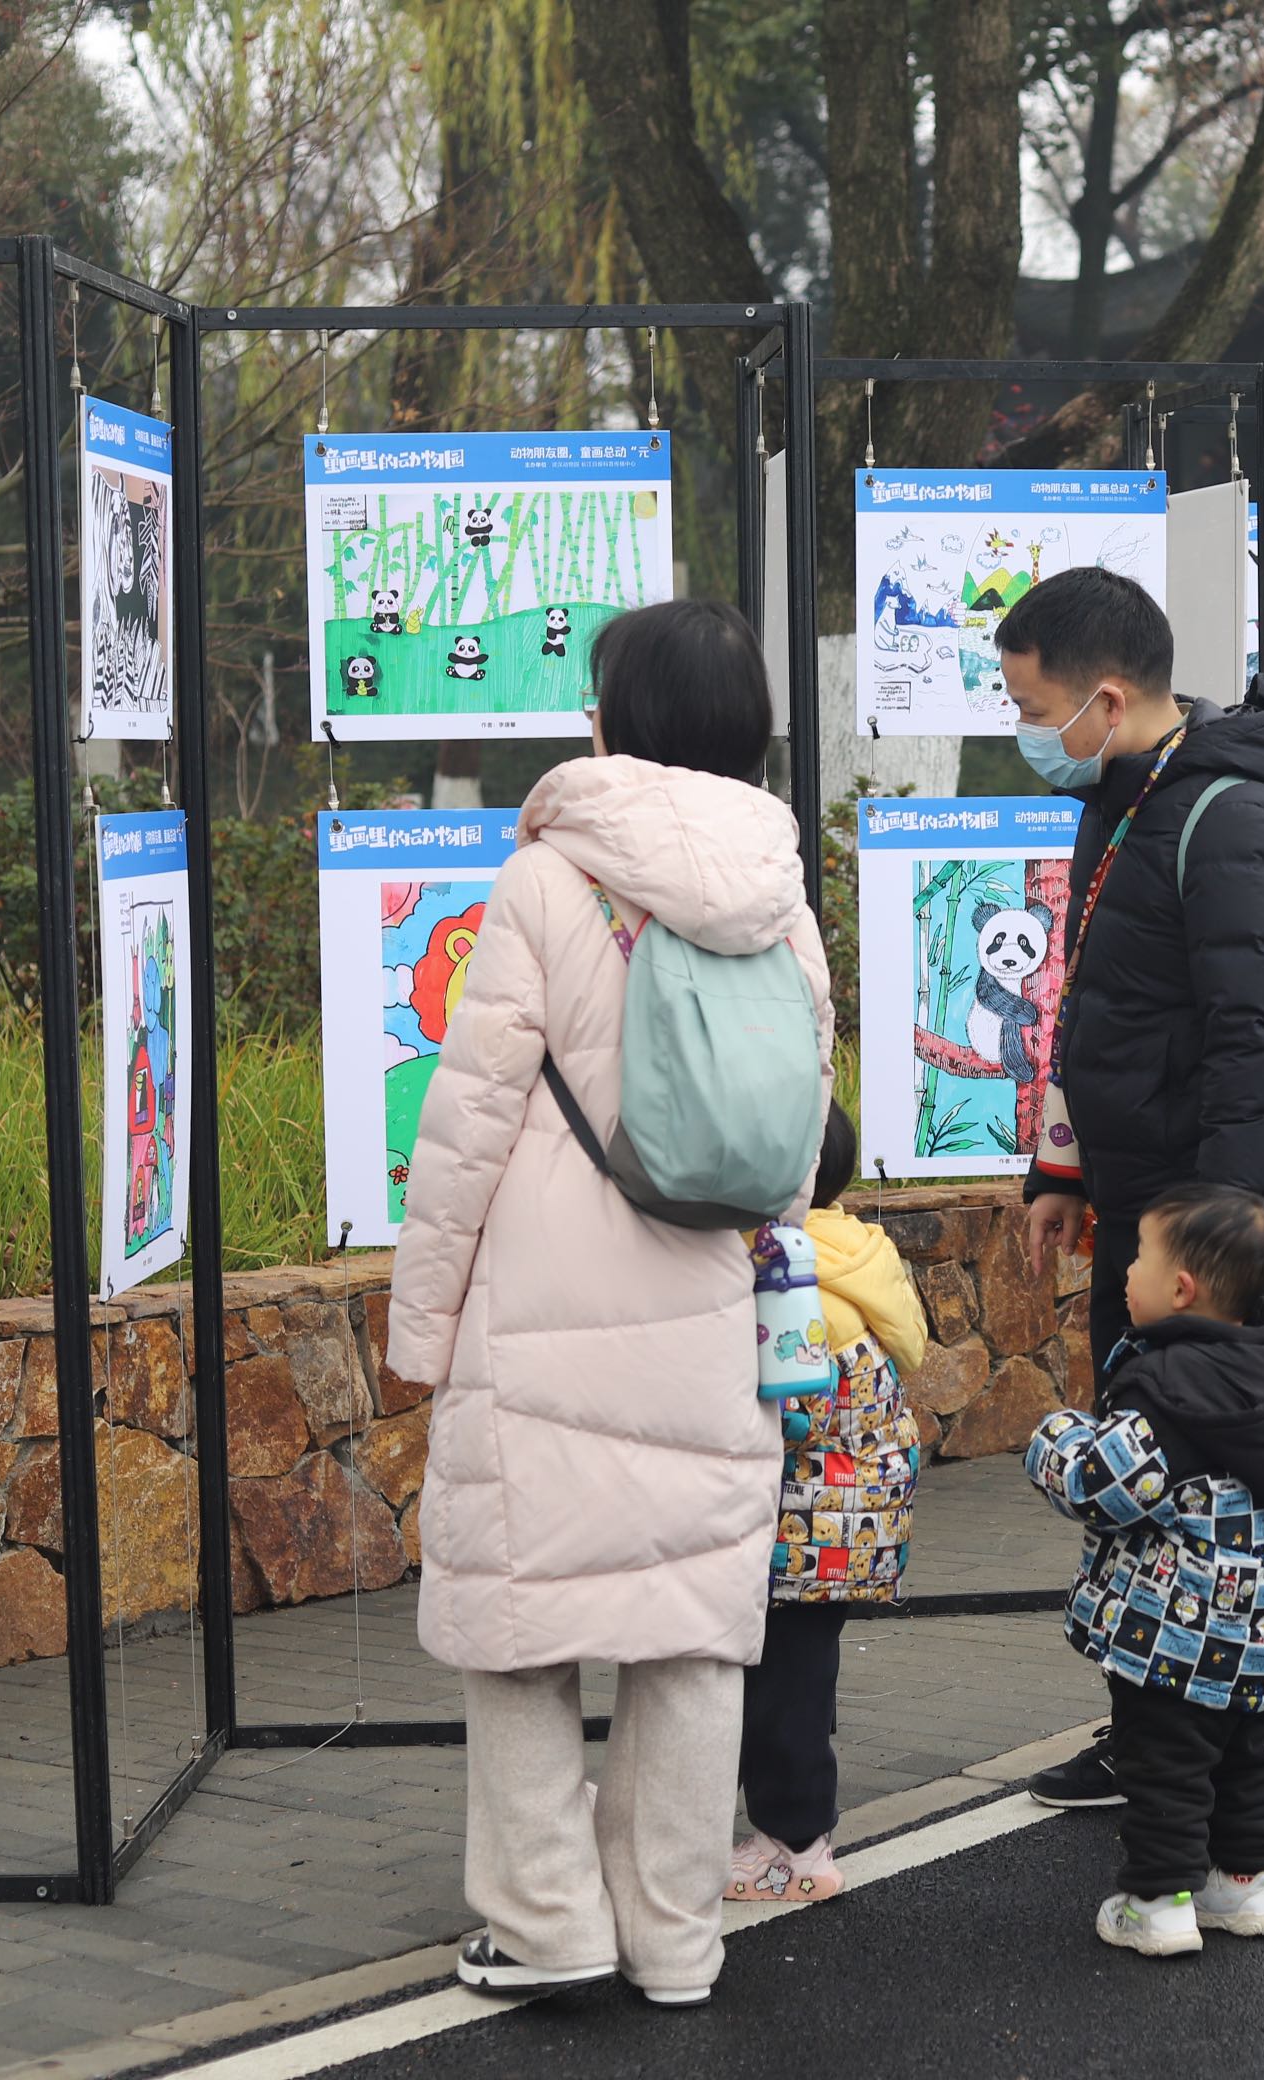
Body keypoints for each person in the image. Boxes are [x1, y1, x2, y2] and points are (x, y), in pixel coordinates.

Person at [390, 599, 831, 2001]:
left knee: (520, 1631)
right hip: (707, 1303)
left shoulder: (544, 884)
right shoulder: (780, 889)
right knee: (691, 1634)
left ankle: (550, 1931)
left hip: (540, 1307)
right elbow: (794, 1119)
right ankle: (676, 1943)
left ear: (615, 717)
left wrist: (419, 1324)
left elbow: (468, 1127)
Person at [994, 568, 1264, 1841]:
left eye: (1027, 703)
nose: (1018, 726)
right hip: (1144, 1217)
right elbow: (1100, 1007)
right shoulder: (1121, 794)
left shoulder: (1233, 813)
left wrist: (1220, 1250)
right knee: (1154, 1488)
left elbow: (1255, 1048)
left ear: (1101, 697)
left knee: (1249, 1490)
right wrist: (1063, 1172)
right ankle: (1160, 1726)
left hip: (1215, 1234)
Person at [1019, 1182, 1264, 1958]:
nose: (1124, 1271)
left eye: (1137, 1257)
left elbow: (1106, 1486)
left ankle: (1157, 1903)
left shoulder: (1174, 1388)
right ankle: (1247, 1885)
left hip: (1180, 1626)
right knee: (1248, 1750)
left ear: (1182, 1289)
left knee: (1162, 1759)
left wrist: (1054, 1438)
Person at [727, 1102, 929, 1906]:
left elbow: (794, 1408)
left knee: (783, 1688)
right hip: (853, 1516)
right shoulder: (856, 1250)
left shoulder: (787, 1272)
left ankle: (796, 1846)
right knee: (802, 1677)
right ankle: (792, 1823)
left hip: (802, 1521)